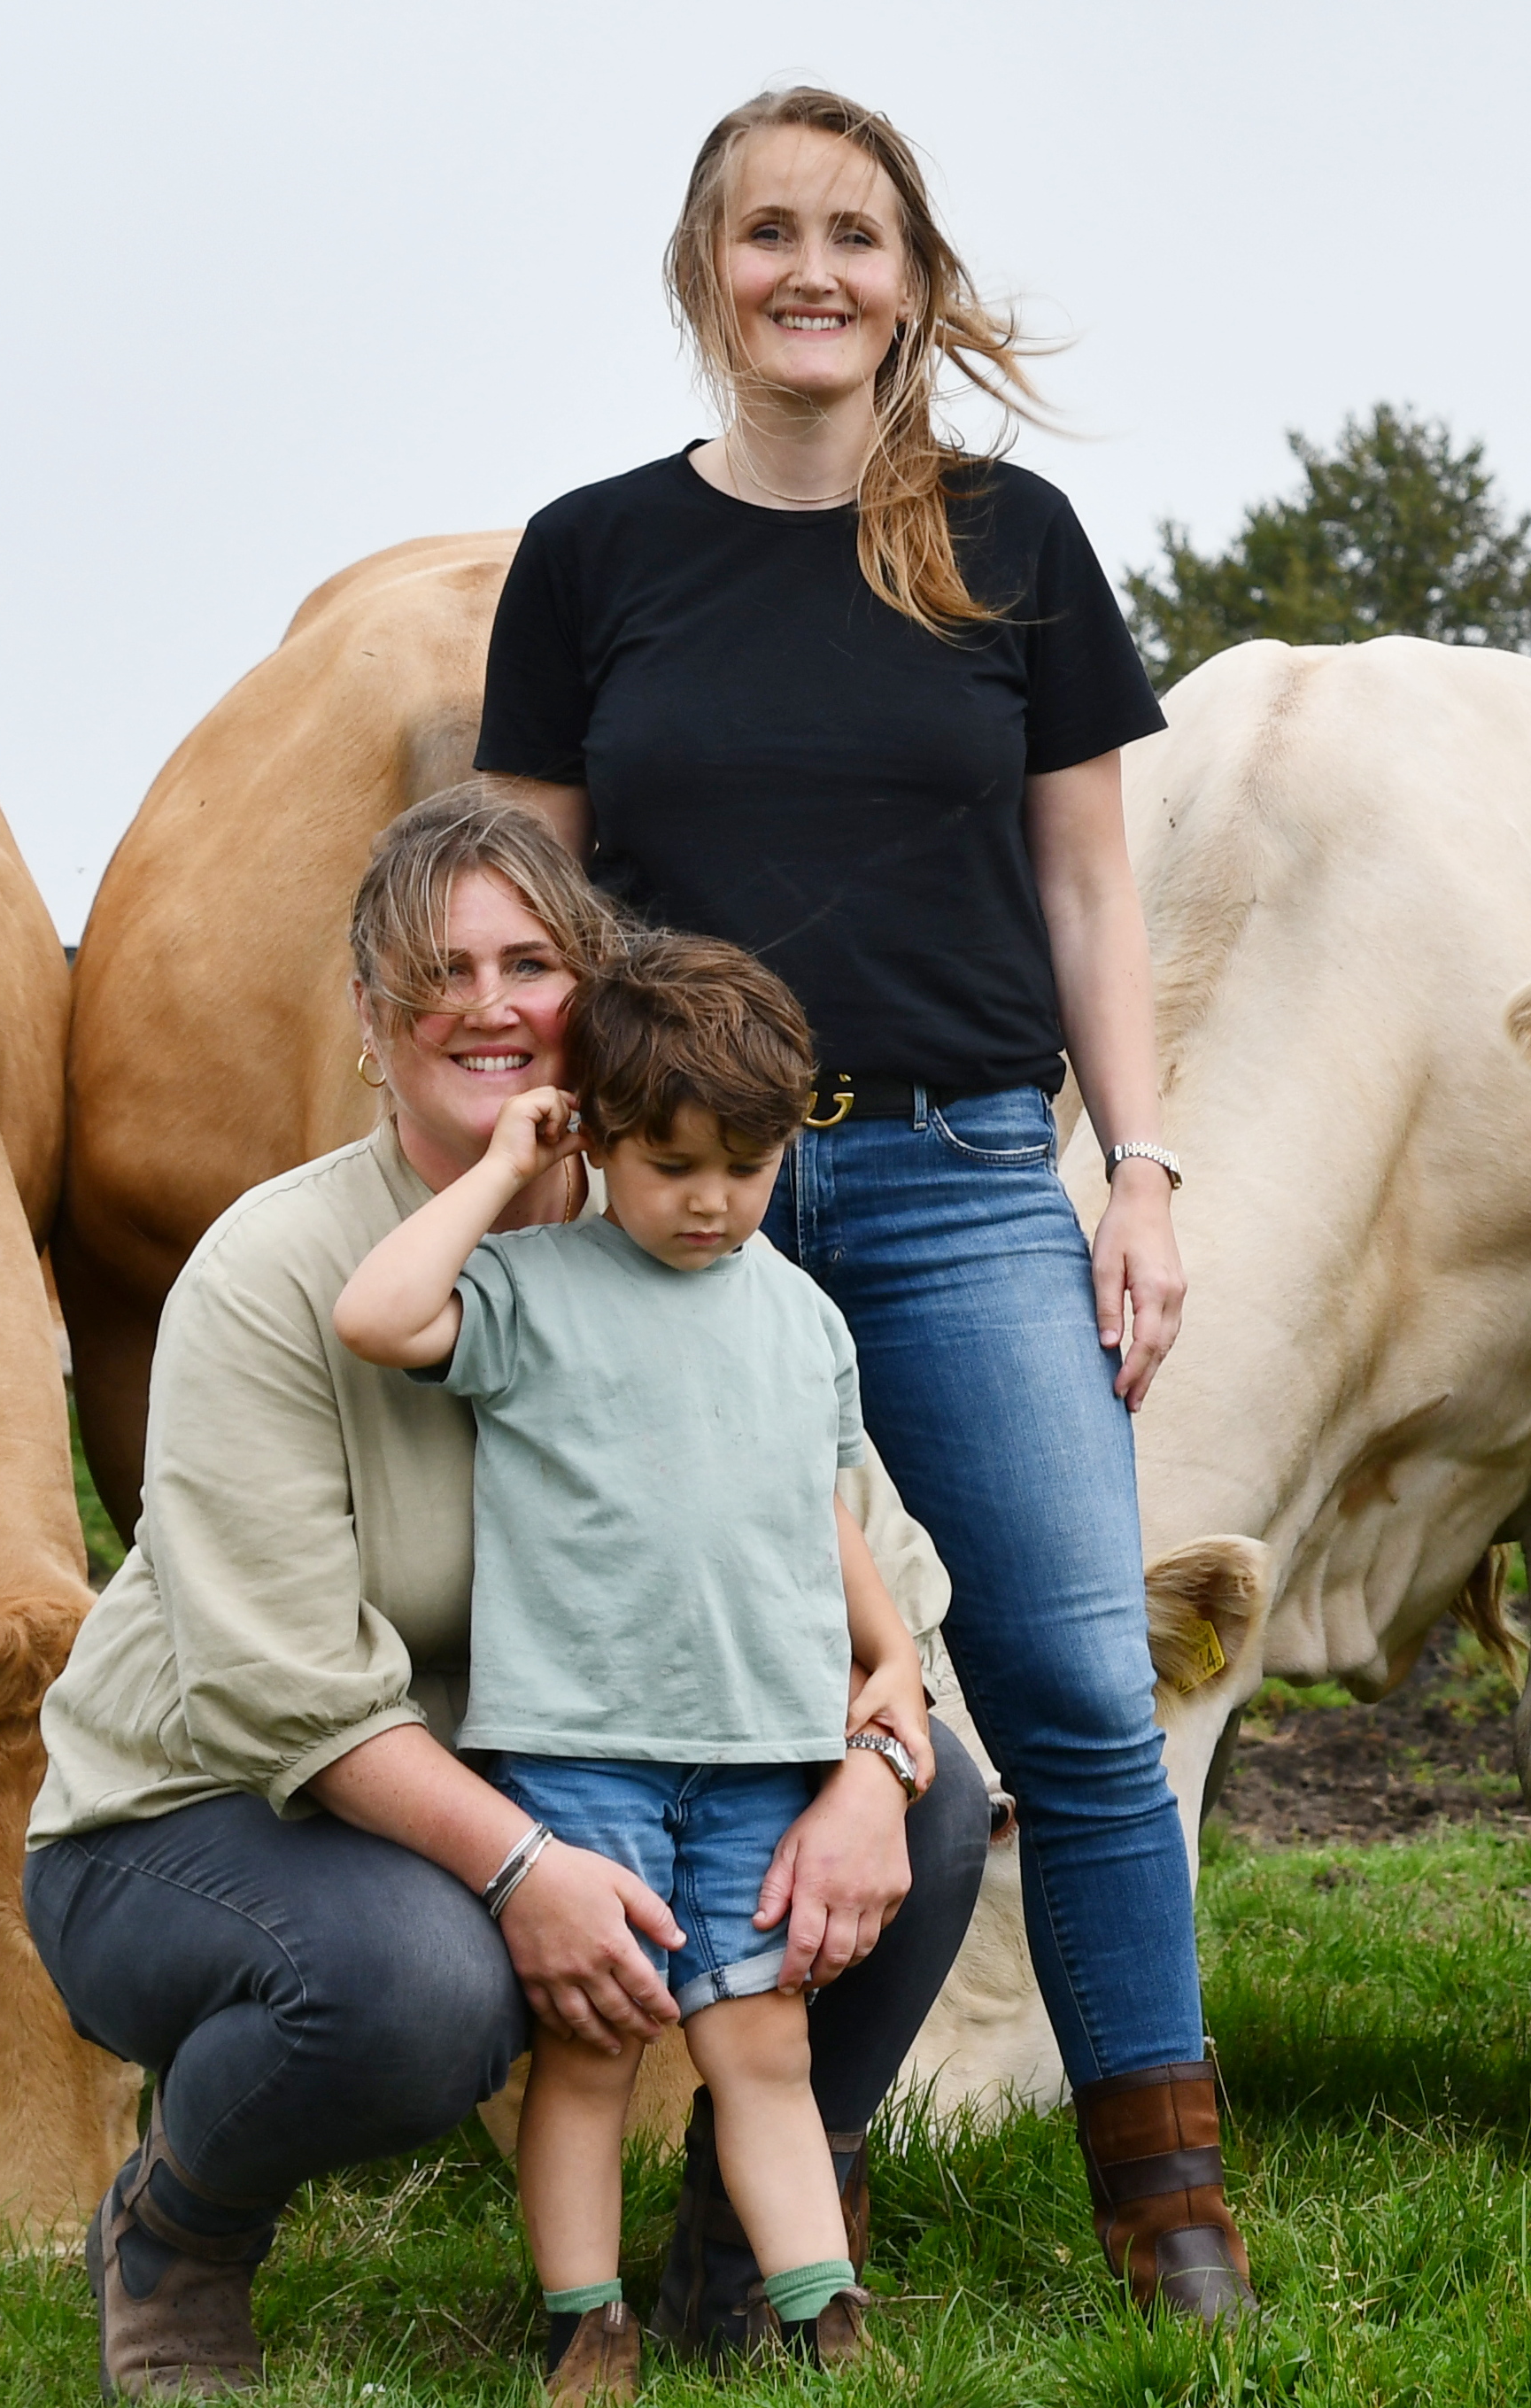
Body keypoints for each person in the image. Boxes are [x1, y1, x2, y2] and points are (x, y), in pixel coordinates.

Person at [475, 86, 1250, 2320]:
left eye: (853, 233)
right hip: (667, 1211)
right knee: (689, 1698)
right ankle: (737, 2172)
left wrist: (1139, 1173)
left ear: (911, 276)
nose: (809, 270)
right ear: (702, 272)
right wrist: (532, 1175)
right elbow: (531, 908)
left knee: (1076, 1690)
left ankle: (1163, 2189)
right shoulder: (594, 556)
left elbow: (1088, 891)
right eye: (764, 232)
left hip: (956, 1175)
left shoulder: (1011, 545)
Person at [22, 791, 990, 2398]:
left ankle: (740, 2262)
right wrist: (524, 1863)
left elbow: (867, 1559)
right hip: (209, 1811)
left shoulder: (698, 1256)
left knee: (937, 1808)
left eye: (527, 962)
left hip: (561, 1766)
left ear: (590, 1001)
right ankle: (178, 2233)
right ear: (367, 1019)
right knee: (424, 1985)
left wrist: (882, 1759)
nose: (483, 1003)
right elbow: (283, 1693)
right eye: (434, 971)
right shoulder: (278, 1272)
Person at [334, 932, 925, 2395]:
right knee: (593, 2056)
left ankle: (822, 2320)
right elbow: (378, 1315)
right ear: (593, 1138)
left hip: (756, 1756)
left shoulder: (800, 1316)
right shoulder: (533, 1291)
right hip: (581, 1749)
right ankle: (584, 2325)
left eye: (747, 1163)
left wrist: (891, 1651)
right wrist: (500, 1165)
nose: (713, 1202)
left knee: (759, 2049)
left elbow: (821, 1503)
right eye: (671, 1166)